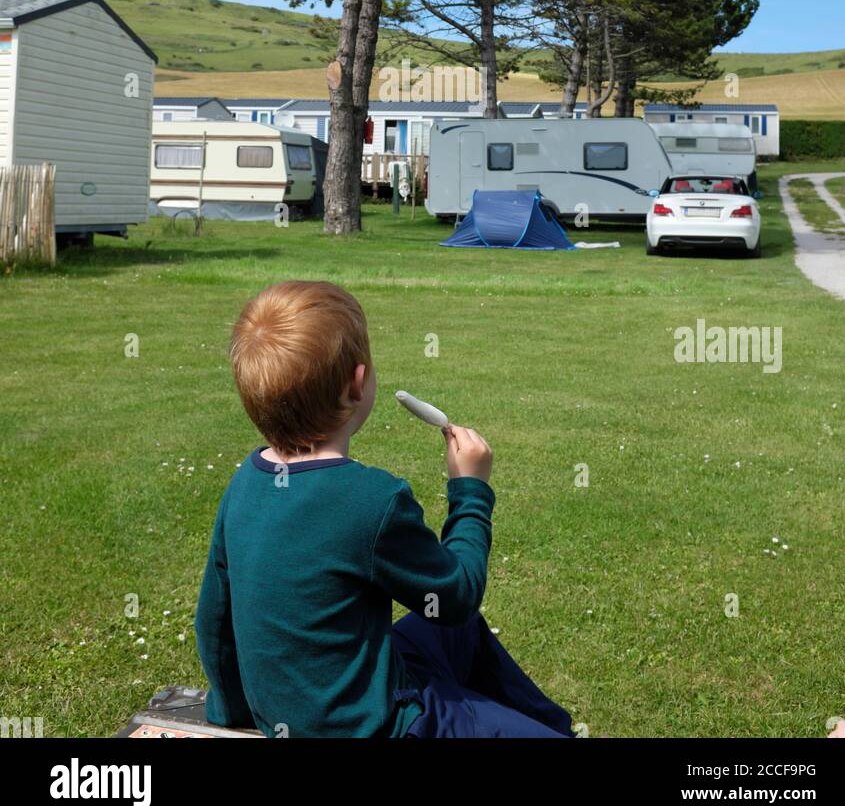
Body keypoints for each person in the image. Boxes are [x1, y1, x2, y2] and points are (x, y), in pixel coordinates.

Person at [194, 279, 574, 739]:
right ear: (356, 386)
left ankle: (548, 724)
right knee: (462, 627)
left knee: (461, 632)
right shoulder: (370, 499)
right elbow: (454, 596)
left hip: (299, 710)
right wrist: (470, 490)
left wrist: (230, 708)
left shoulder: (244, 482)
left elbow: (215, 617)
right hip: (378, 726)